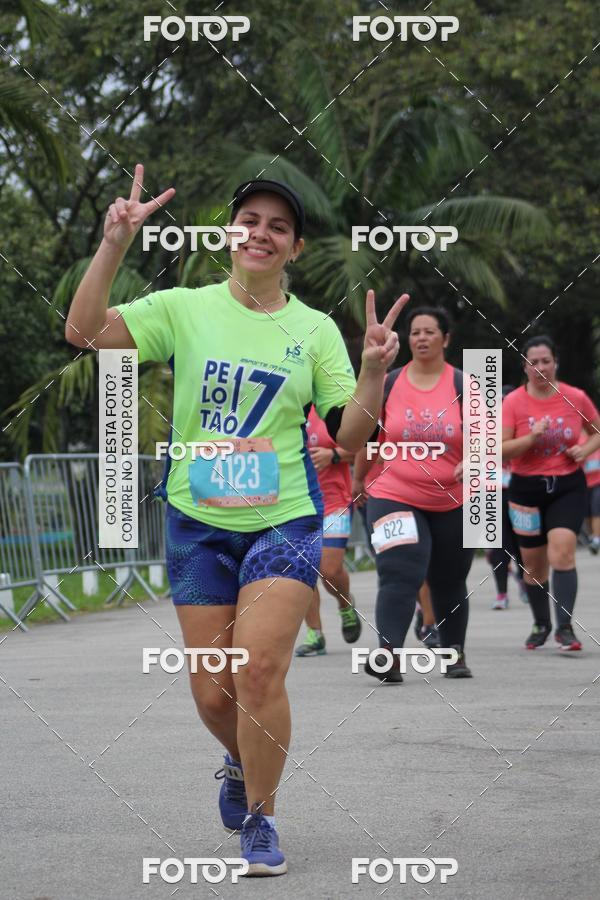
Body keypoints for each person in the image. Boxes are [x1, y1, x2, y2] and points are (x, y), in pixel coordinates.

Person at [65, 165, 408, 876]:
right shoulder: (184, 308)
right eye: (250, 220)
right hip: (197, 520)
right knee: (212, 690)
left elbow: (349, 436)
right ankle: (236, 757)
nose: (261, 233)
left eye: (278, 226)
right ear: (230, 235)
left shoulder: (313, 330)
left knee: (256, 672)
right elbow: (83, 330)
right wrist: (114, 244)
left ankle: (261, 818)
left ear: (295, 248)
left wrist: (374, 368)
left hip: (283, 520)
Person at [353, 306, 474, 682]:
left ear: (446, 339)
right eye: (415, 332)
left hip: (451, 497)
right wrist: (359, 481)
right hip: (394, 491)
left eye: (429, 332)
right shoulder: (388, 383)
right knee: (399, 569)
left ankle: (453, 653)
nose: (421, 338)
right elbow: (370, 438)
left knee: (449, 578)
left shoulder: (466, 385)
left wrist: (473, 461)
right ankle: (389, 654)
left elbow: (486, 439)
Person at [502, 335, 600, 651]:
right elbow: (502, 449)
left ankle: (565, 628)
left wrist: (584, 449)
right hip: (525, 489)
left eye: (546, 361)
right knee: (533, 565)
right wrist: (531, 437)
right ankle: (541, 623)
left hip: (567, 486)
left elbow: (597, 431)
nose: (540, 367)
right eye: (534, 362)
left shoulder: (576, 397)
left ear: (555, 362)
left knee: (563, 551)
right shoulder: (514, 402)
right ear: (525, 366)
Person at [295, 405, 361, 657]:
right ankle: (315, 634)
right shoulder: (285, 406)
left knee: (329, 569)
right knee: (303, 571)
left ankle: (345, 605)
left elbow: (366, 450)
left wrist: (333, 455)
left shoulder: (332, 409)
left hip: (335, 503)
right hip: (296, 505)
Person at [486, 385, 527, 609]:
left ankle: (524, 580)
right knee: (498, 546)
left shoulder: (522, 427)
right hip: (492, 492)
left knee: (521, 542)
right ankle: (501, 593)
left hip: (519, 490)